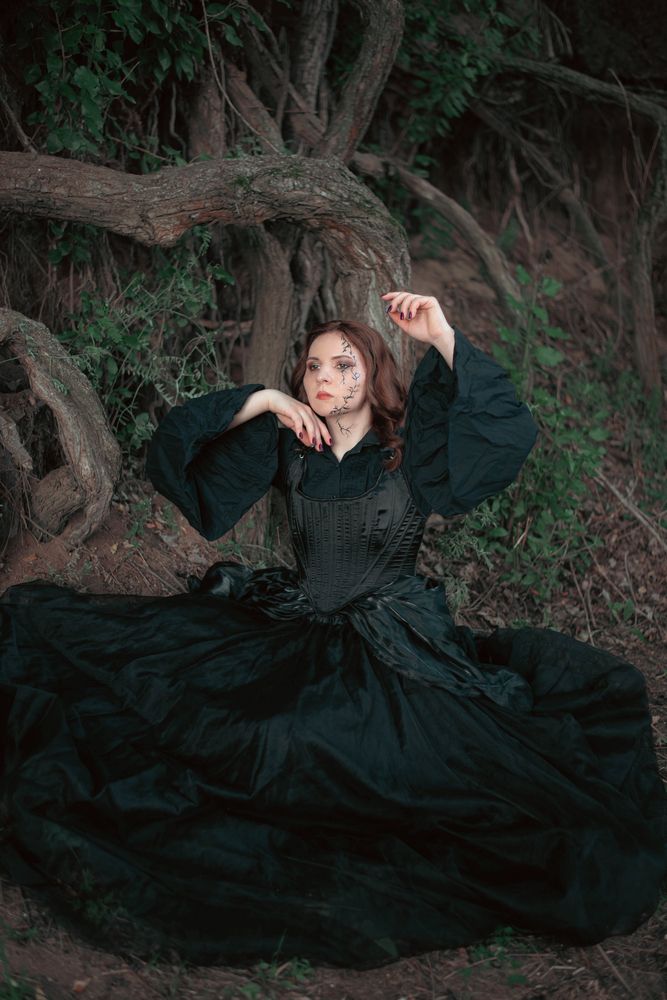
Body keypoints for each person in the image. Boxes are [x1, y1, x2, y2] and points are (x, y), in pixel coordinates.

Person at [0, 292, 664, 968]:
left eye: (345, 366)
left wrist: (441, 335)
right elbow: (174, 458)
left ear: (374, 376)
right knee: (234, 726)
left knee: (369, 752)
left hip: (394, 643)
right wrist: (263, 400)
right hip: (296, 625)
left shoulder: (410, 454)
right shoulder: (292, 449)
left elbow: (506, 433)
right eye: (313, 366)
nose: (324, 377)